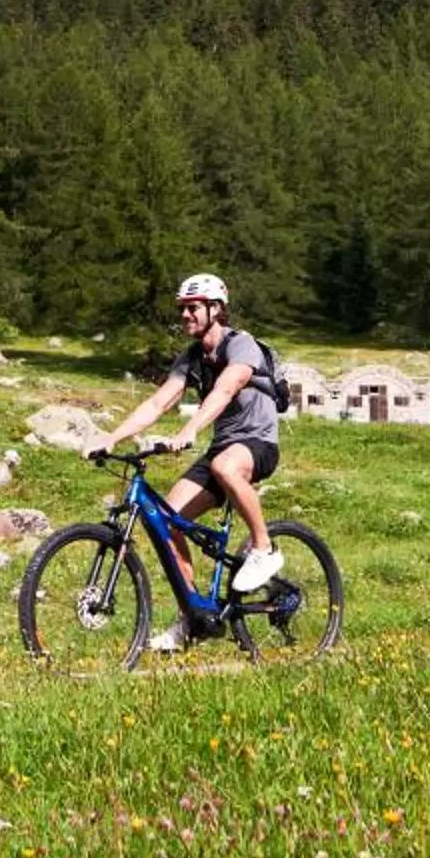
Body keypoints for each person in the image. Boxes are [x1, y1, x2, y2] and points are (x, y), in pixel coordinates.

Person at [92, 272, 282, 645]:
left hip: (257, 443)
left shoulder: (242, 346)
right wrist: (111, 437)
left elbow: (227, 388)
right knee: (168, 521)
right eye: (182, 309)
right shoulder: (192, 358)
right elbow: (159, 402)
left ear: (216, 309)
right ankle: (193, 617)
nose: (185, 315)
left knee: (225, 466)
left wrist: (191, 429)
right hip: (221, 448)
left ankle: (264, 547)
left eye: (193, 308)